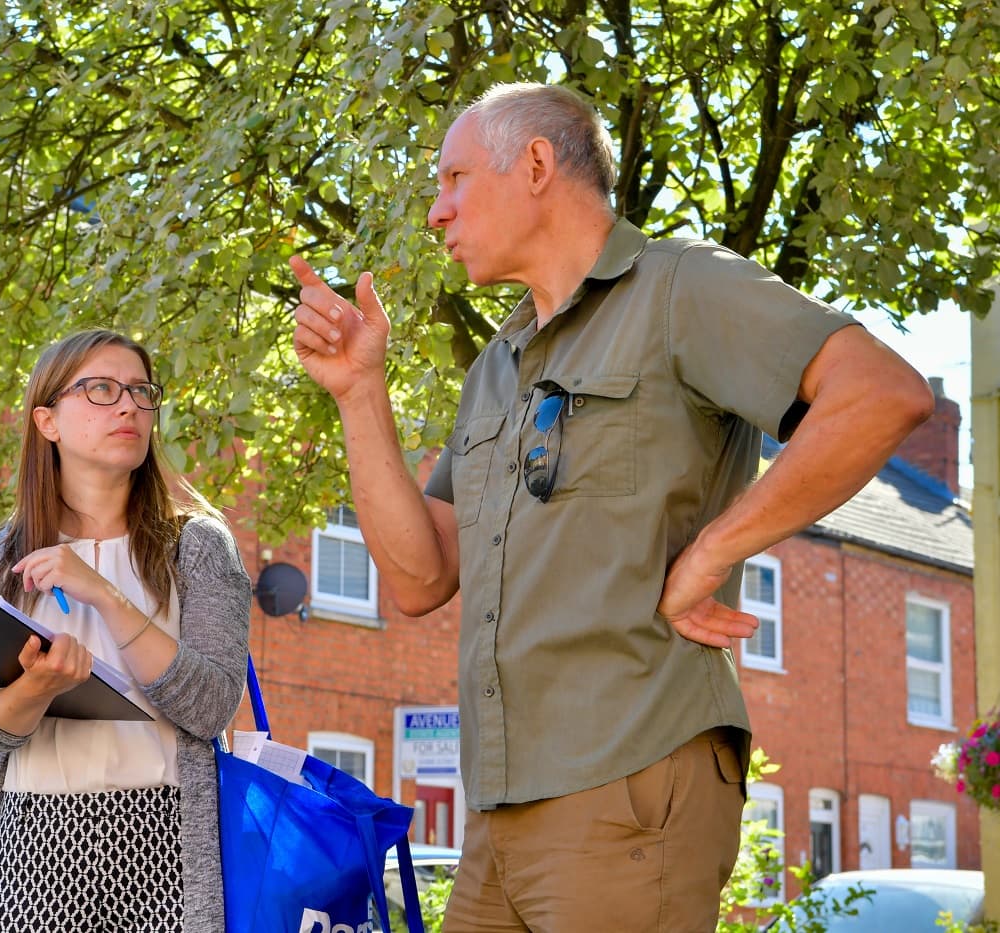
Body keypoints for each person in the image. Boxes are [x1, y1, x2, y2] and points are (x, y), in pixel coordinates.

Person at [289, 82, 934, 932]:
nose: (437, 213)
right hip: (497, 814)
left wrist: (714, 552)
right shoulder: (495, 365)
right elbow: (420, 576)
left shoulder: (682, 287)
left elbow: (881, 393)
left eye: (452, 181)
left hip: (629, 783)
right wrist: (359, 394)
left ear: (536, 164)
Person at [0, 330, 252, 933]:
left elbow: (212, 706)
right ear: (47, 420)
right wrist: (36, 687)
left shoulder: (198, 548)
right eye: (102, 390)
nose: (129, 406)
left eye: (141, 391)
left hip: (164, 845)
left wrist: (103, 594)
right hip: (28, 850)